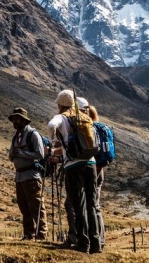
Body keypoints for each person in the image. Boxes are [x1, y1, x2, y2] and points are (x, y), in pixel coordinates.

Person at [47, 90, 100, 254]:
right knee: (92, 204)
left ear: (60, 104)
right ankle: (96, 243)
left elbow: (51, 125)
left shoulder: (62, 117)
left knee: (78, 205)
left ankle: (83, 243)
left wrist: (54, 141)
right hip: (91, 163)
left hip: (73, 166)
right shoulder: (83, 117)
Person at [7, 107, 47, 240]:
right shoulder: (15, 137)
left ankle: (41, 234)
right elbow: (11, 156)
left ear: (24, 121)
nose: (15, 122)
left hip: (31, 176)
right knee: (24, 207)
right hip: (19, 177)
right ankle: (28, 234)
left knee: (36, 206)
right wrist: (12, 154)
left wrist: (22, 153)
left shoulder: (33, 135)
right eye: (14, 119)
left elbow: (40, 154)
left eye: (17, 119)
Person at [86, 102, 106, 251]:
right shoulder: (100, 128)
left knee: (94, 205)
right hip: (100, 169)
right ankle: (100, 239)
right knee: (95, 204)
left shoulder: (91, 130)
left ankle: (98, 239)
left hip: (94, 169)